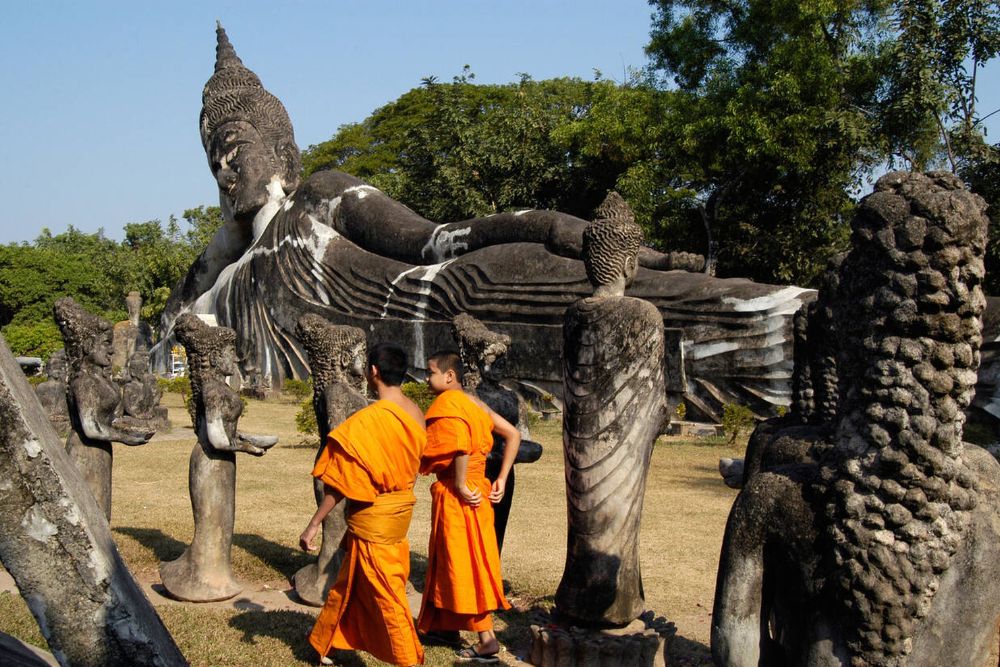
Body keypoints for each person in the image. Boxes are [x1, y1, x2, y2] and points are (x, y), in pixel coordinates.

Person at [300, 342, 427, 667]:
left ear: (373, 372)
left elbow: (341, 483)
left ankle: (408, 660)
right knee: (348, 583)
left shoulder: (369, 420)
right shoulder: (416, 414)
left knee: (387, 597)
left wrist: (315, 522)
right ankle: (324, 644)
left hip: (375, 521)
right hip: (397, 513)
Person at [416, 350, 520, 662]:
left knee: (464, 565)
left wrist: (460, 484)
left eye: (430, 372)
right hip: (481, 489)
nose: (426, 377)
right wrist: (500, 477)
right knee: (458, 559)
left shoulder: (448, 404)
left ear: (449, 376)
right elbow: (512, 435)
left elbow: (460, 445)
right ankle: (441, 625)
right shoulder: (474, 403)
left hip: (460, 493)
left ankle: (486, 639)